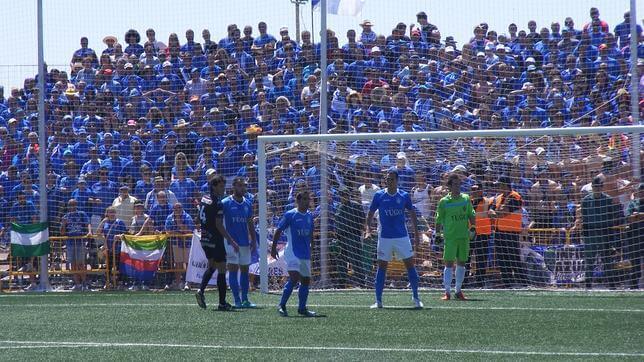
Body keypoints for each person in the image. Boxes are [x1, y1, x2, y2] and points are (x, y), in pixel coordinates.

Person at [364, 168, 422, 309]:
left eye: (391, 179)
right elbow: (370, 213)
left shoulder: (404, 195)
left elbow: (412, 214)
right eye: (387, 179)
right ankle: (378, 301)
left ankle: (416, 298)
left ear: (397, 180)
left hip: (402, 237)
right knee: (382, 266)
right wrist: (368, 230)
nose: (388, 181)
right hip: (384, 237)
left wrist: (417, 234)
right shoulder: (379, 195)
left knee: (410, 265)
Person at [195, 175, 239, 311]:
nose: (223, 188)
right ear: (214, 186)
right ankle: (222, 303)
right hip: (215, 238)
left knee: (212, 265)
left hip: (204, 238)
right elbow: (219, 224)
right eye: (221, 186)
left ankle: (200, 290)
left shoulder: (204, 199)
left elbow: (198, 218)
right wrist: (231, 240)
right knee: (221, 268)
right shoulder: (218, 203)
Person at [271, 190, 317, 317]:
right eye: (305, 199)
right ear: (298, 201)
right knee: (294, 277)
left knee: (306, 281)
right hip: (292, 252)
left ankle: (302, 308)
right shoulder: (290, 215)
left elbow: (311, 234)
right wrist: (274, 248)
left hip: (304, 253)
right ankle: (282, 305)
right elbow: (278, 230)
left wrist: (312, 247)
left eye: (309, 199)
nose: (307, 202)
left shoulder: (309, 216)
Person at [435, 174, 476, 300]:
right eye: (455, 184)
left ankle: (458, 290)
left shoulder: (465, 198)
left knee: (462, 263)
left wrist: (473, 227)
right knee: (448, 264)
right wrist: (437, 234)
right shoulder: (444, 202)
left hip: (463, 237)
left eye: (459, 184)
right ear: (449, 186)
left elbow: (471, 214)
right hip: (450, 237)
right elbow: (439, 219)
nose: (458, 186)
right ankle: (447, 292)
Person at [580, 175, 623, 289]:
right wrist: (584, 235)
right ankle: (588, 285)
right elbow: (584, 218)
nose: (597, 189)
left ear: (602, 187)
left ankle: (612, 285)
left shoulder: (608, 199)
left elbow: (611, 218)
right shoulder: (585, 200)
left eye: (599, 187)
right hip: (591, 235)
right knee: (590, 261)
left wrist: (610, 237)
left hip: (604, 234)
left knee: (607, 261)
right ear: (592, 187)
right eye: (595, 187)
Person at [221, 177, 257, 308]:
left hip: (244, 242)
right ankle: (236, 300)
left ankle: (245, 299)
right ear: (234, 186)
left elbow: (250, 223)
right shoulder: (225, 203)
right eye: (240, 186)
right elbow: (219, 224)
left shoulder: (247, 203)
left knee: (245, 270)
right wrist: (229, 240)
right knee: (233, 270)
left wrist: (253, 239)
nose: (243, 188)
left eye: (244, 186)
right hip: (231, 243)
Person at [491, 176, 526, 287]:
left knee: (513, 259)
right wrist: (496, 212)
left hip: (511, 233)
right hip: (499, 232)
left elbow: (503, 212)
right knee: (502, 260)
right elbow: (491, 210)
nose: (497, 187)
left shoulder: (515, 196)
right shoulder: (499, 197)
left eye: (499, 185)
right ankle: (508, 284)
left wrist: (495, 212)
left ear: (505, 185)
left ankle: (522, 283)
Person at [60, 198, 91, 291]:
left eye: (73, 204)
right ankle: (77, 284)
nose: (72, 207)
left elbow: (87, 223)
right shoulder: (65, 217)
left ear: (76, 205)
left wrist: (89, 232)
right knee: (72, 264)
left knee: (81, 263)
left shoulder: (81, 214)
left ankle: (84, 283)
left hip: (80, 241)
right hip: (70, 242)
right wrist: (63, 224)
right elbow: (62, 233)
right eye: (70, 205)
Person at [469, 183, 494, 288]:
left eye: (477, 189)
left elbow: (485, 214)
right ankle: (464, 282)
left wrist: (470, 215)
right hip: (469, 233)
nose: (474, 191)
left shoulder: (487, 201)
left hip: (483, 233)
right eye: (472, 189)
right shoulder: (468, 201)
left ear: (481, 190)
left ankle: (480, 282)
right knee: (466, 258)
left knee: (481, 259)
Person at [625, 183, 643, 289]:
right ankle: (634, 284)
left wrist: (639, 215)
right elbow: (629, 218)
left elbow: (635, 217)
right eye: (640, 191)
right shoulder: (633, 203)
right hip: (635, 235)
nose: (642, 192)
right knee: (635, 260)